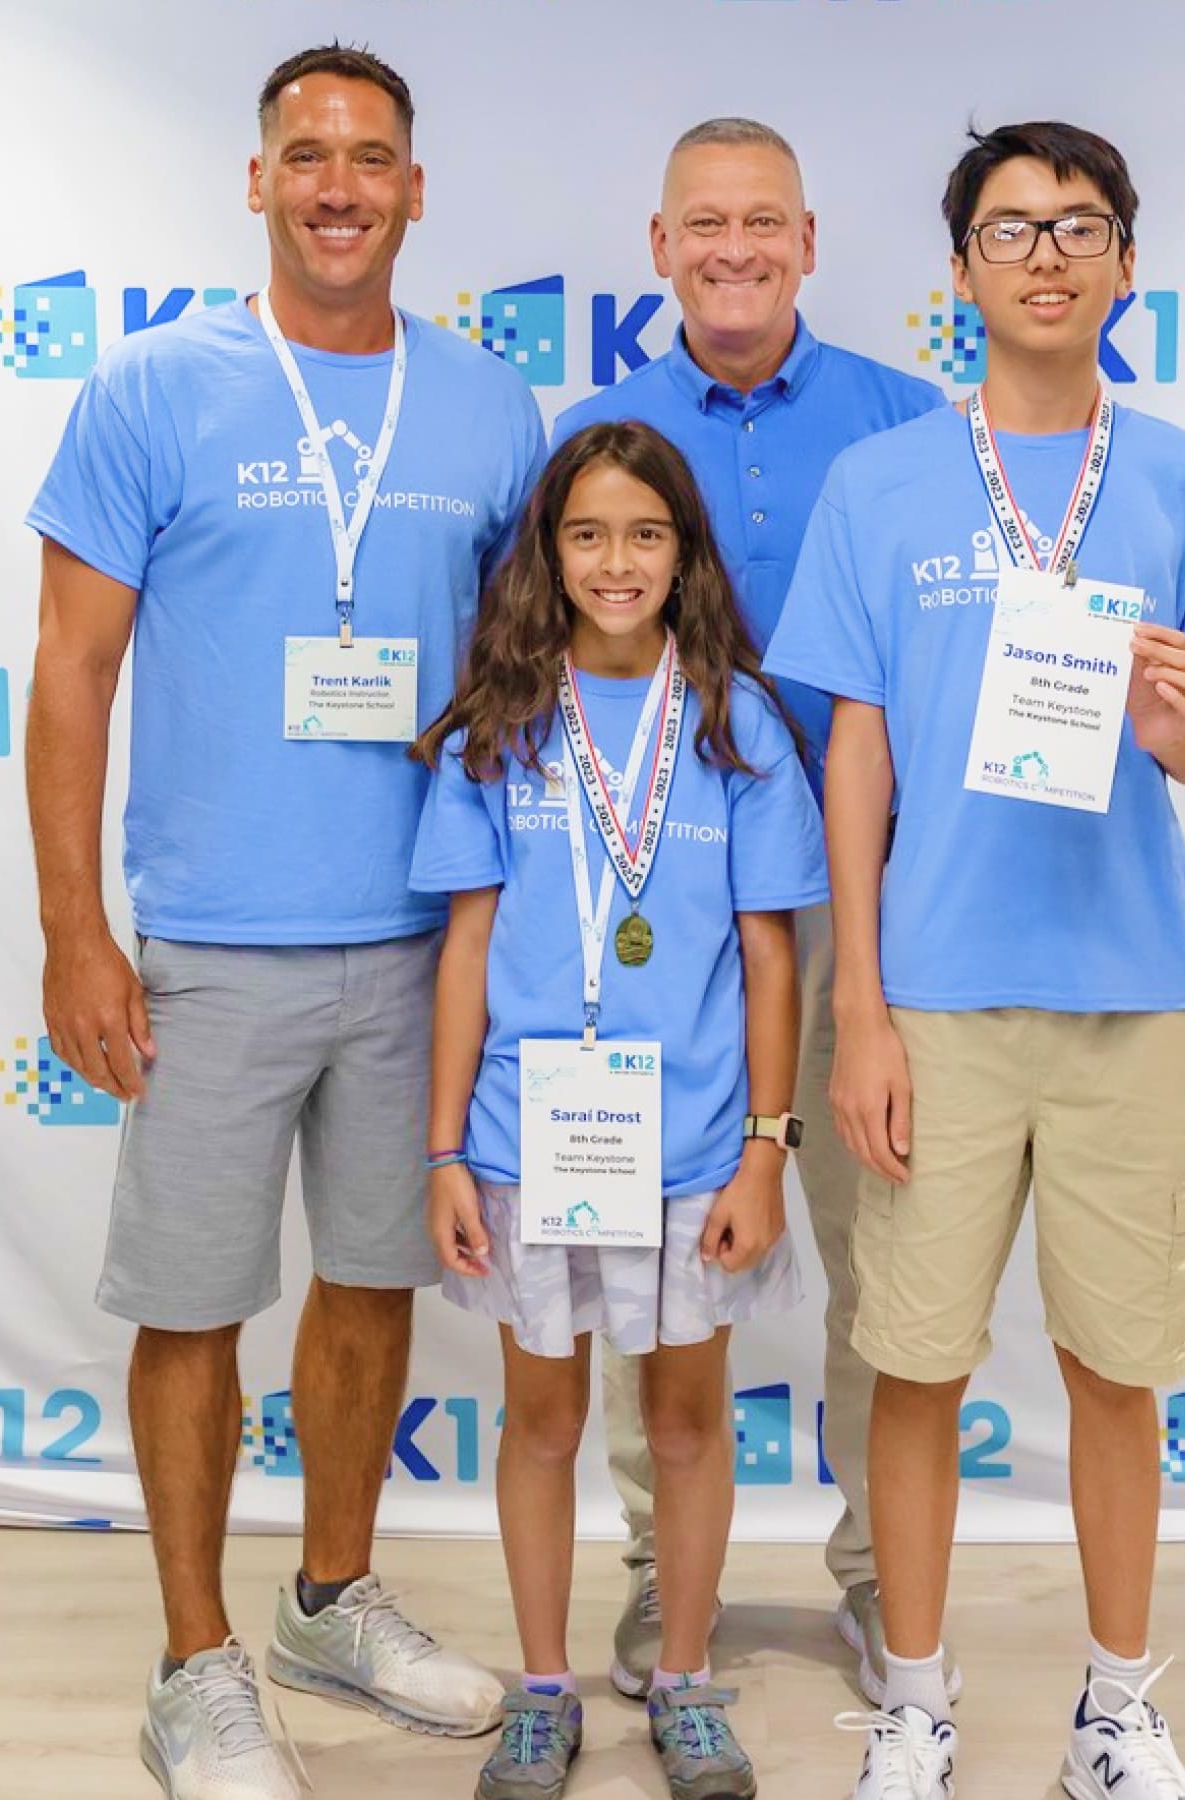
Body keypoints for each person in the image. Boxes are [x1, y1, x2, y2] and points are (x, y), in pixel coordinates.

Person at [24, 44, 544, 1800]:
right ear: (257, 183)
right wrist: (74, 935)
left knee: (372, 1286)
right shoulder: (151, 390)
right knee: (192, 1304)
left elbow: (510, 680)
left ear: (415, 191)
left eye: (372, 158)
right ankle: (195, 1661)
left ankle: (329, 1596)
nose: (338, 185)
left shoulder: (488, 407)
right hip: (210, 945)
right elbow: (73, 677)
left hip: (413, 939)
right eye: (306, 155)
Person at [765, 122, 1185, 1800]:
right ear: (960, 267)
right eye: (1009, 228)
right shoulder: (885, 481)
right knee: (915, 1365)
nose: (1046, 255)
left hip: (1134, 993)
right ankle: (913, 1698)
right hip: (941, 1002)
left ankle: (1118, 1710)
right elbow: (854, 759)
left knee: (1119, 1371)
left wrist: (1179, 728)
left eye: (1080, 226)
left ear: (1129, 260)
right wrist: (862, 1008)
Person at [553, 116, 952, 1707]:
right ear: (658, 246)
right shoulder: (598, 427)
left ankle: (877, 1578)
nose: (734, 248)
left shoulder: (907, 422)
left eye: (763, 222)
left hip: (865, 909)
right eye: (703, 223)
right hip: (646, 918)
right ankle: (667, 1578)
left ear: (808, 239)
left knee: (885, 1254)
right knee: (651, 1264)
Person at [411, 420, 826, 1800]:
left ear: (687, 552)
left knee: (690, 1423)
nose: (616, 560)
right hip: (533, 1135)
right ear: (548, 551)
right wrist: (445, 1149)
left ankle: (688, 1680)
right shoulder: (503, 726)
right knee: (540, 1420)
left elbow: (773, 956)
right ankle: (543, 1690)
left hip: (700, 1142)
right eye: (586, 533)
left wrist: (768, 1149)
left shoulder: (736, 721)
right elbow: (465, 950)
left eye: (647, 533)